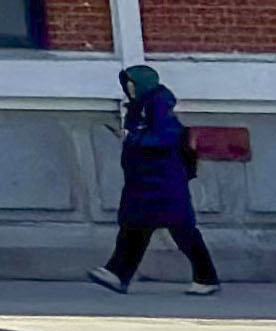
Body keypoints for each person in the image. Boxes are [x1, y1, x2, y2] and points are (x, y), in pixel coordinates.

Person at [95, 64, 222, 295]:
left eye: (132, 85)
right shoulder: (139, 108)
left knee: (182, 231)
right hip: (144, 181)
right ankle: (117, 273)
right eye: (127, 85)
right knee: (134, 227)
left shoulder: (159, 106)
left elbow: (163, 139)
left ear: (142, 85)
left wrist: (131, 138)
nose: (129, 89)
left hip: (164, 182)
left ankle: (206, 278)